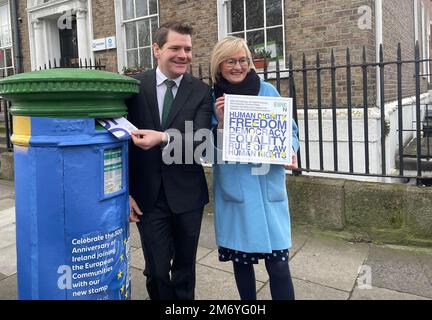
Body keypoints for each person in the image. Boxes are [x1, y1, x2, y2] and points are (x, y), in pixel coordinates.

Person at [126, 21, 213, 300]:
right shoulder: (134, 87)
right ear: (156, 50)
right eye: (175, 48)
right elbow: (119, 143)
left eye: (187, 49)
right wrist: (124, 193)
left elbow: (201, 141)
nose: (183, 55)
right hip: (147, 198)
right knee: (157, 270)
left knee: (185, 270)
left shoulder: (200, 91)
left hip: (188, 195)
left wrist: (162, 138)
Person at [210, 36, 299, 300]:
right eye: (230, 61)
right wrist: (223, 124)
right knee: (242, 265)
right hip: (236, 193)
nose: (238, 66)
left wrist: (290, 149)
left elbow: (291, 131)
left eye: (242, 60)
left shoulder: (268, 90)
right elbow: (205, 150)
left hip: (268, 190)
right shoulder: (213, 99)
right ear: (219, 65)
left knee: (279, 266)